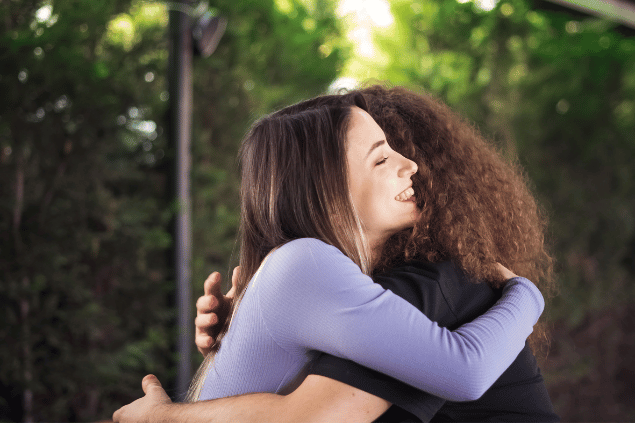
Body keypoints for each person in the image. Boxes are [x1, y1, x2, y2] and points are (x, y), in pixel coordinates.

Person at [113, 89, 546, 422]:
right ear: (327, 192)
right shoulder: (307, 263)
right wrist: (526, 294)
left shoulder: (309, 270)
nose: (410, 164)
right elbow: (464, 372)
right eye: (380, 160)